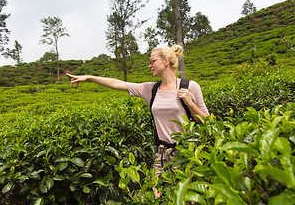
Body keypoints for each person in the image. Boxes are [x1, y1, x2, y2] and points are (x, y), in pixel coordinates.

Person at [66, 44, 209, 176]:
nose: (149, 65)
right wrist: (89, 78)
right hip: (162, 153)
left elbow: (207, 121)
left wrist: (190, 103)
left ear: (166, 61)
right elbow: (118, 83)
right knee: (158, 196)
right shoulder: (151, 89)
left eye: (152, 61)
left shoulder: (190, 87)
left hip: (186, 152)